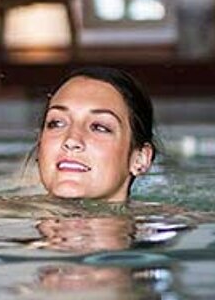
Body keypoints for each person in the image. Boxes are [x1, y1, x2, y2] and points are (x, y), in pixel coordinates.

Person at [34, 65, 156, 204]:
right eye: (57, 123)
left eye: (99, 127)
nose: (72, 140)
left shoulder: (174, 221)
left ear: (140, 159)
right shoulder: (5, 219)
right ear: (39, 144)